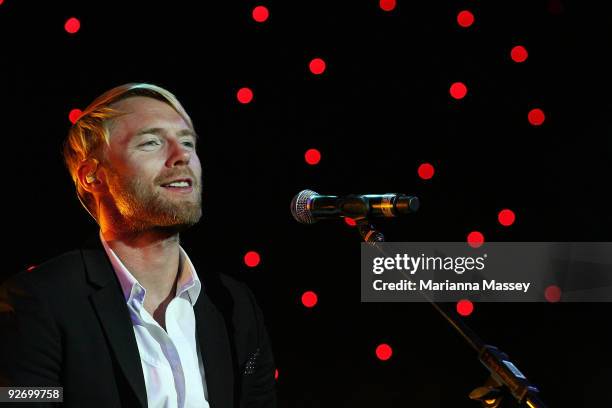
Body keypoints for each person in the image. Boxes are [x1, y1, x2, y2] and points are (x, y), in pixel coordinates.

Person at [0, 83, 277, 408]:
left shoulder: (234, 303)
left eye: (188, 142)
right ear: (93, 175)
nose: (182, 155)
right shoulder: (38, 301)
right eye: (151, 142)